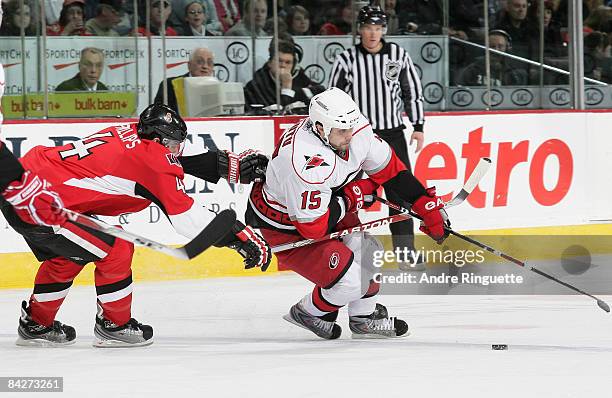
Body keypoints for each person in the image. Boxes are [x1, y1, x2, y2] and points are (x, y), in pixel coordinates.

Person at [2, 103, 271, 348]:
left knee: (67, 257)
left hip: (22, 187)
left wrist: (226, 166)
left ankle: (37, 324)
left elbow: (179, 154)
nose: (177, 150)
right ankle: (114, 325)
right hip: (39, 203)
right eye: (173, 144)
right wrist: (239, 236)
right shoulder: (153, 162)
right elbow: (186, 218)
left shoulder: (131, 131)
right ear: (158, 140)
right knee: (115, 249)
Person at [246, 87, 449, 339]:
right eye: (342, 131)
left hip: (325, 203)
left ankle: (363, 319)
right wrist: (352, 195)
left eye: (350, 129)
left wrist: (424, 204)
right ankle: (309, 311)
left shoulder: (351, 128)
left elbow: (391, 171)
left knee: (370, 253)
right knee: (352, 281)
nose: (350, 136)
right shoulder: (305, 162)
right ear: (320, 128)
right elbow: (314, 228)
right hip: (286, 226)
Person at [329, 6, 426, 269]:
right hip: (359, 137)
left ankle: (405, 252)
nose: (373, 34)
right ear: (359, 29)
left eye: (377, 28)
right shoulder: (346, 59)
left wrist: (418, 125)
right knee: (348, 193)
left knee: (401, 196)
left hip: (393, 134)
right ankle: (348, 250)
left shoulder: (398, 55)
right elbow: (333, 98)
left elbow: (411, 91)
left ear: (384, 29)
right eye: (368, 28)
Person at [243, 40, 324, 111]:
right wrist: (287, 87)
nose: (283, 65)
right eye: (279, 61)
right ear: (269, 63)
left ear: (293, 65)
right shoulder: (256, 85)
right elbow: (280, 112)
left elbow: (321, 92)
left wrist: (296, 92)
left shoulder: (301, 79)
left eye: (288, 62)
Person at [154, 47, 215, 114]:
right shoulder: (169, 85)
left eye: (209, 62)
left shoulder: (217, 88)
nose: (205, 66)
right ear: (189, 65)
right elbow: (158, 114)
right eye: (200, 61)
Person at [457, 30, 528, 86]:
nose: (496, 50)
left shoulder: (516, 74)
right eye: (492, 46)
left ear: (507, 48)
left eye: (500, 46)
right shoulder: (471, 70)